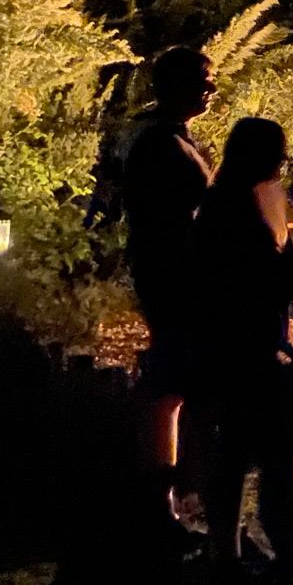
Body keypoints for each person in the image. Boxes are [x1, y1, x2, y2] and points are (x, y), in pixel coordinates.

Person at [190, 117, 293, 574]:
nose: (283, 159)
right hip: (237, 344)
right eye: (276, 151)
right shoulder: (226, 205)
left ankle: (258, 548)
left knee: (265, 448)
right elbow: (253, 269)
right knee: (251, 448)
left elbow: (283, 251)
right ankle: (235, 552)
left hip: (257, 342)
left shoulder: (258, 195)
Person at [120, 44, 215, 531]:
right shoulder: (160, 145)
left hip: (175, 277)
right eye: (203, 78)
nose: (211, 87)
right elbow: (163, 216)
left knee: (174, 382)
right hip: (171, 279)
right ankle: (160, 496)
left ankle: (167, 494)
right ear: (174, 85)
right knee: (170, 383)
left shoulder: (174, 140)